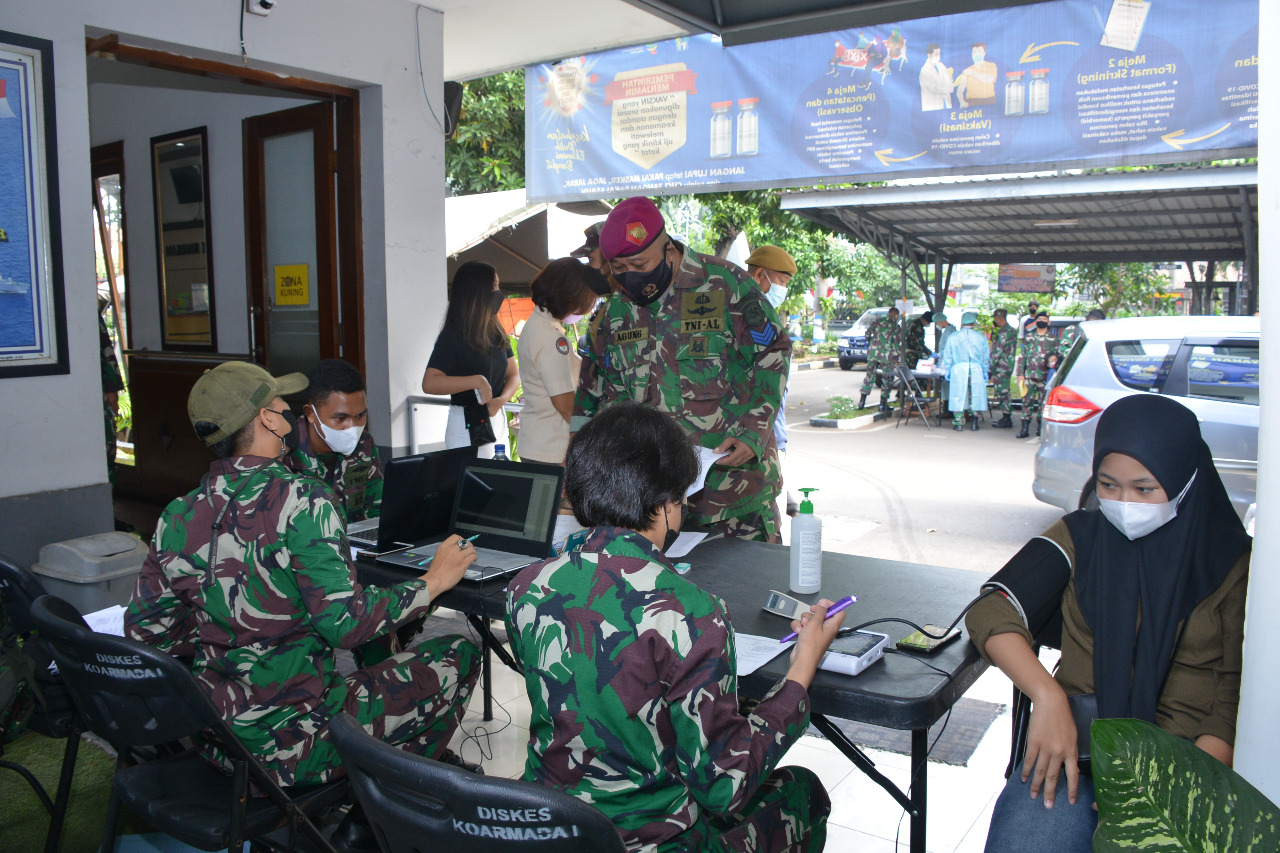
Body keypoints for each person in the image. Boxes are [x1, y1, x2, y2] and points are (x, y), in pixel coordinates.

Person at [125, 361, 482, 787]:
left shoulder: (177, 515)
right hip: (302, 742)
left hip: (219, 740)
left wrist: (235, 628)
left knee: (380, 662)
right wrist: (435, 580)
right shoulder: (303, 499)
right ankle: (381, 807)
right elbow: (345, 625)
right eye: (281, 405)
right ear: (268, 420)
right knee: (459, 652)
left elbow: (149, 634)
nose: (289, 415)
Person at [507, 402, 843, 853]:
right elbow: (726, 787)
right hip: (651, 843)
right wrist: (802, 670)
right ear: (667, 505)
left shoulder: (526, 587)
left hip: (550, 830)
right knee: (802, 792)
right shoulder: (693, 612)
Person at [966, 394, 1250, 853]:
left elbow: (1239, 698)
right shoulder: (1082, 535)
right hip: (1078, 752)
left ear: (1186, 481)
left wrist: (1177, 787)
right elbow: (992, 609)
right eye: (1108, 485)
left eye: (1144, 489)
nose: (1122, 503)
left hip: (1186, 765)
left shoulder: (1233, 565)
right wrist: (1048, 694)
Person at [574, 197, 792, 543]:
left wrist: (754, 430)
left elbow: (774, 352)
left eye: (638, 262)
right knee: (663, 598)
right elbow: (600, 393)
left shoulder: (725, 285)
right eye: (618, 267)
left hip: (733, 494)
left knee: (750, 594)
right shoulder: (615, 313)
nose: (629, 275)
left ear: (669, 250)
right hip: (653, 506)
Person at [422, 261, 520, 459]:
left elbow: (513, 374)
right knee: (471, 485)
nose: (498, 292)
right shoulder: (454, 334)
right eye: (493, 287)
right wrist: (476, 381)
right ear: (476, 291)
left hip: (496, 420)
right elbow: (430, 382)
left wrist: (501, 400)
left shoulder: (496, 330)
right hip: (466, 424)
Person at [517, 258, 605, 465]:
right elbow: (565, 405)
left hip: (540, 445)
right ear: (571, 296)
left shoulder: (539, 325)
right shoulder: (550, 338)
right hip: (552, 451)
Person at [287, 358, 383, 524]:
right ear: (311, 413)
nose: (352, 427)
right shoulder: (285, 452)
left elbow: (377, 509)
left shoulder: (364, 444)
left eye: (360, 415)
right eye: (341, 418)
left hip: (356, 544)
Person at [745, 245, 798, 516]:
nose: (782, 289)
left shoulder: (766, 313)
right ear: (759, 276)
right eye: (780, 282)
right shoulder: (747, 314)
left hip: (770, 427)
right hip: (754, 432)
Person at [941, 311, 990, 431]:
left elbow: (948, 355)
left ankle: (959, 422)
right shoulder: (980, 337)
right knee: (975, 395)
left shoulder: (954, 336)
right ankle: (974, 422)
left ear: (962, 322)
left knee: (958, 394)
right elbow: (985, 356)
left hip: (959, 368)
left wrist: (948, 368)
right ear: (973, 322)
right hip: (976, 368)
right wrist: (985, 370)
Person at [1016, 310, 1055, 438]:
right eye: (1040, 319)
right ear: (1036, 322)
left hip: (1045, 377)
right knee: (1027, 402)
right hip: (1029, 375)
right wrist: (1020, 374)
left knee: (1043, 404)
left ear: (1048, 322)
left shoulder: (1053, 339)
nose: (1042, 321)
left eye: (1045, 320)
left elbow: (1056, 358)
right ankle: (1024, 428)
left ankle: (1040, 428)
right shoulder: (1029, 337)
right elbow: (1022, 356)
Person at [858, 306, 900, 411]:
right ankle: (883, 404)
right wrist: (895, 359)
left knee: (869, 376)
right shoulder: (895, 326)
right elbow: (896, 344)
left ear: (888, 313)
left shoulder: (877, 321)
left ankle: (862, 402)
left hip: (873, 354)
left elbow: (867, 334)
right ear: (896, 315)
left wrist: (872, 344)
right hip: (887, 356)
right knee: (887, 378)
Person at [988, 309, 1018, 429]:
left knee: (1003, 392)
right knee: (1005, 391)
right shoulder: (1011, 330)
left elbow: (997, 352)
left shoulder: (1003, 333)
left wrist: (990, 368)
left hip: (1001, 366)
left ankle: (1006, 418)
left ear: (999, 318)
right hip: (1007, 365)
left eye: (995, 319)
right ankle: (1006, 416)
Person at [955, 42, 997, 107]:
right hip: (972, 102)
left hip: (989, 101)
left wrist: (972, 73)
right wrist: (962, 102)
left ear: (984, 53)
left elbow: (989, 79)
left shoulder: (991, 66)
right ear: (972, 54)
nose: (977, 54)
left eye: (980, 51)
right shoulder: (967, 71)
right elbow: (959, 92)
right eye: (974, 52)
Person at [919, 44, 953, 111]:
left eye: (939, 54)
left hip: (945, 104)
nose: (938, 56)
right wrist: (948, 88)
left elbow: (949, 81)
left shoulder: (941, 66)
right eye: (936, 54)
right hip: (932, 107)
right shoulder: (925, 70)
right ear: (929, 55)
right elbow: (935, 88)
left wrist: (949, 83)